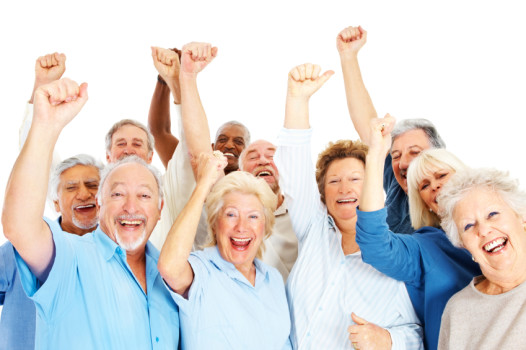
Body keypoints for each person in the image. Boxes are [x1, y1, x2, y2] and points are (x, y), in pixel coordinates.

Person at [2, 78, 179, 349]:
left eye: (144, 195)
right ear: (100, 203)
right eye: (117, 194)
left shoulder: (171, 275)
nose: (131, 207)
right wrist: (44, 127)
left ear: (159, 208)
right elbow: (20, 225)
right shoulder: (70, 257)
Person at [275, 63, 423, 349]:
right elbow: (294, 168)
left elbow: (417, 334)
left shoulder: (396, 257)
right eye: (334, 181)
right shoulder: (313, 229)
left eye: (356, 179)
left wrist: (389, 339)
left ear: (371, 187)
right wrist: (297, 99)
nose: (344, 188)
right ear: (322, 194)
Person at [355, 115, 480, 350]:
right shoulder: (427, 246)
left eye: (442, 176)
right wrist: (374, 157)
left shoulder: (501, 221)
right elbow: (376, 245)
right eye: (423, 186)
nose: (434, 185)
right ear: (423, 202)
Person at [158, 153, 291, 349]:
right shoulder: (200, 271)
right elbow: (169, 267)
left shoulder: (274, 279)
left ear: (265, 226)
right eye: (231, 214)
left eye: (253, 217)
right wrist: (203, 185)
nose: (241, 227)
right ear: (214, 222)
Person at [338, 25, 445, 233]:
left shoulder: (459, 198)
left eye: (415, 152)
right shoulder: (399, 186)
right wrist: (348, 56)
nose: (403, 163)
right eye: (395, 155)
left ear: (439, 157)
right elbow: (368, 126)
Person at [148, 45, 251, 251]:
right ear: (212, 146)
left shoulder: (253, 185)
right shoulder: (195, 161)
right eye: (223, 139)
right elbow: (159, 132)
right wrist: (165, 80)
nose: (229, 144)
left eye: (239, 142)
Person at [0, 154, 102, 350]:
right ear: (55, 203)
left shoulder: (120, 256)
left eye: (92, 185)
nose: (83, 194)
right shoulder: (20, 249)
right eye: (71, 187)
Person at [437, 168, 526, 349]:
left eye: (492, 214)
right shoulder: (458, 311)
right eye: (468, 226)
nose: (483, 230)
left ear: (522, 217)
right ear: (463, 245)